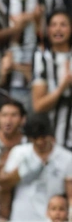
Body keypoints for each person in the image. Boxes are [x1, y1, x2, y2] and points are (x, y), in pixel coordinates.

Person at [0, 0, 64, 112]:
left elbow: (62, 39)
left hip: (45, 80)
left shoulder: (51, 0)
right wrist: (16, 28)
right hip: (10, 78)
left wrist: (39, 24)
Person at [0, 116, 72, 222]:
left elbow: (71, 196)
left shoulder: (66, 158)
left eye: (43, 137)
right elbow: (3, 187)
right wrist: (20, 172)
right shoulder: (19, 153)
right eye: (35, 138)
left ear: (50, 134)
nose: (40, 141)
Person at [32, 10, 72, 150]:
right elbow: (38, 106)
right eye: (53, 24)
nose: (58, 29)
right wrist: (62, 87)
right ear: (48, 30)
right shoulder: (42, 58)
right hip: (53, 139)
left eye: (63, 24)